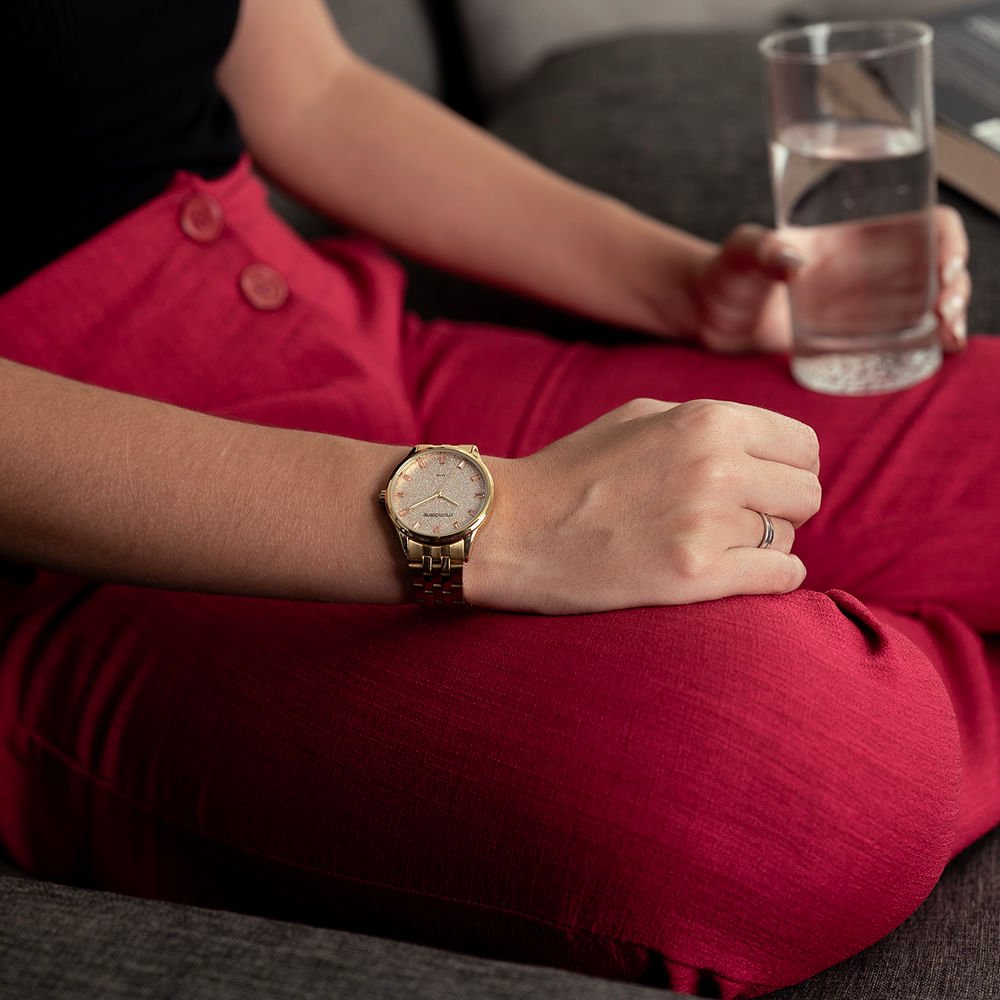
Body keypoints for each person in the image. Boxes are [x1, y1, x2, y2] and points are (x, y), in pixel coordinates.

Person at [0, 1, 995, 998]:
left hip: (345, 341)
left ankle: (883, 665)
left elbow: (311, 92)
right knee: (796, 785)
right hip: (76, 539)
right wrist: (503, 524)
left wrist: (682, 287)